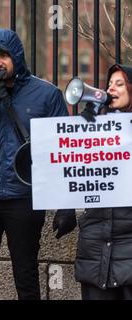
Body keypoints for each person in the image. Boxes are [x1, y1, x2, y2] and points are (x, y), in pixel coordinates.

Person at [0, 28, 75, 300]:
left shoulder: (47, 95)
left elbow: (65, 151)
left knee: (25, 275)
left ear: (17, 57)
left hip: (23, 198)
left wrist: (67, 203)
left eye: (3, 56)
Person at [73, 63, 132, 300]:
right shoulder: (96, 125)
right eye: (109, 84)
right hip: (95, 247)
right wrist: (85, 127)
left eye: (120, 84)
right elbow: (72, 169)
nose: (111, 89)